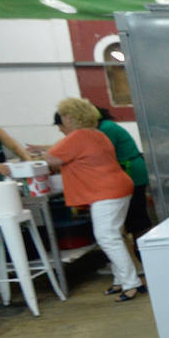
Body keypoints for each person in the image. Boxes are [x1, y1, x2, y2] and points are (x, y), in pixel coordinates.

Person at [45, 99, 144, 300]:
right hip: (117, 187)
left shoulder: (78, 136)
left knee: (107, 237)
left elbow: (52, 158)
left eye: (63, 117)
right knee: (114, 236)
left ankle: (131, 283)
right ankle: (120, 280)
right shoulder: (97, 134)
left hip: (106, 191)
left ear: (70, 117)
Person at [94, 106, 152, 238]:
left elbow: (98, 153)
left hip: (132, 173)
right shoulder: (105, 126)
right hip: (132, 171)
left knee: (137, 216)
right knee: (136, 214)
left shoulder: (105, 129)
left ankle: (144, 250)